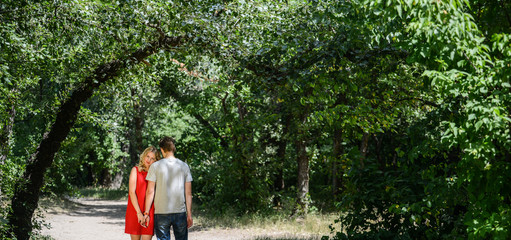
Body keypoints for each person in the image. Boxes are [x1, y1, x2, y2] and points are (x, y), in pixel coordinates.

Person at [143, 136, 193, 240]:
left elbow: (150, 191)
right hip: (180, 212)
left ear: (162, 149)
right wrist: (189, 214)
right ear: (173, 148)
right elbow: (188, 193)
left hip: (161, 212)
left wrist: (146, 213)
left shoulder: (155, 166)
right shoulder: (184, 166)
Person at [125, 146, 161, 240]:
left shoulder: (156, 174)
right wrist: (139, 213)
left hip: (149, 211)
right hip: (135, 210)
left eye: (152, 158)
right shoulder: (135, 170)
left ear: (156, 161)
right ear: (144, 156)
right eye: (148, 156)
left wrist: (146, 214)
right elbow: (132, 192)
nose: (149, 160)